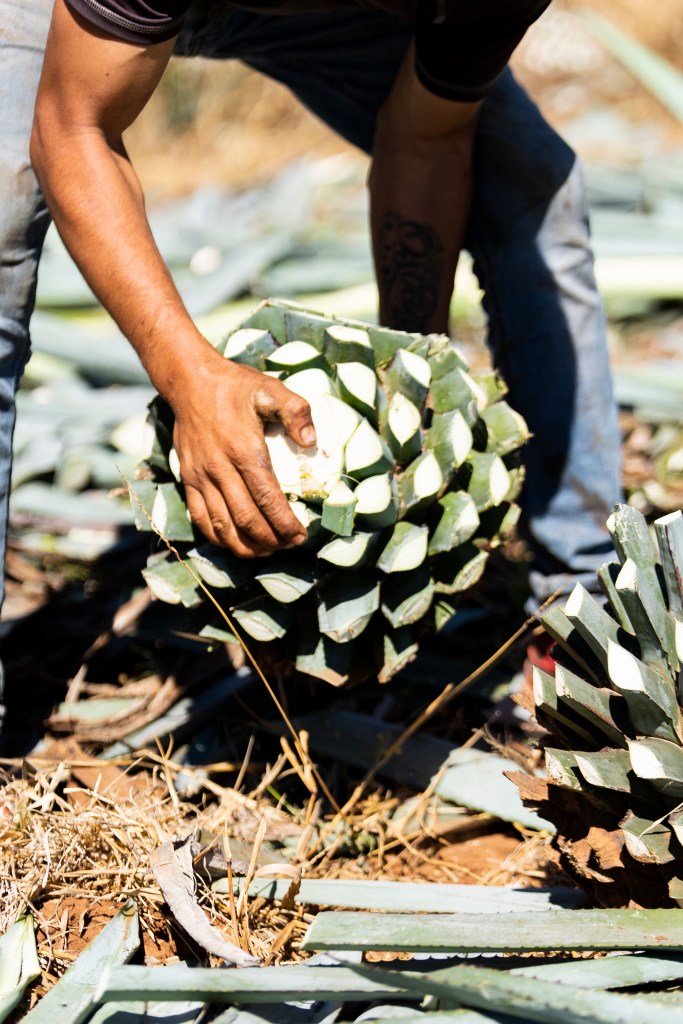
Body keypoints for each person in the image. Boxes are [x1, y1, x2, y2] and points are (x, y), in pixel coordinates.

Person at [1, 0, 621, 721]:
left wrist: (406, 395)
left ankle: (581, 611)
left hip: (328, 16)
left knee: (529, 185)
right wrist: (190, 378)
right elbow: (75, 126)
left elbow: (426, 139)